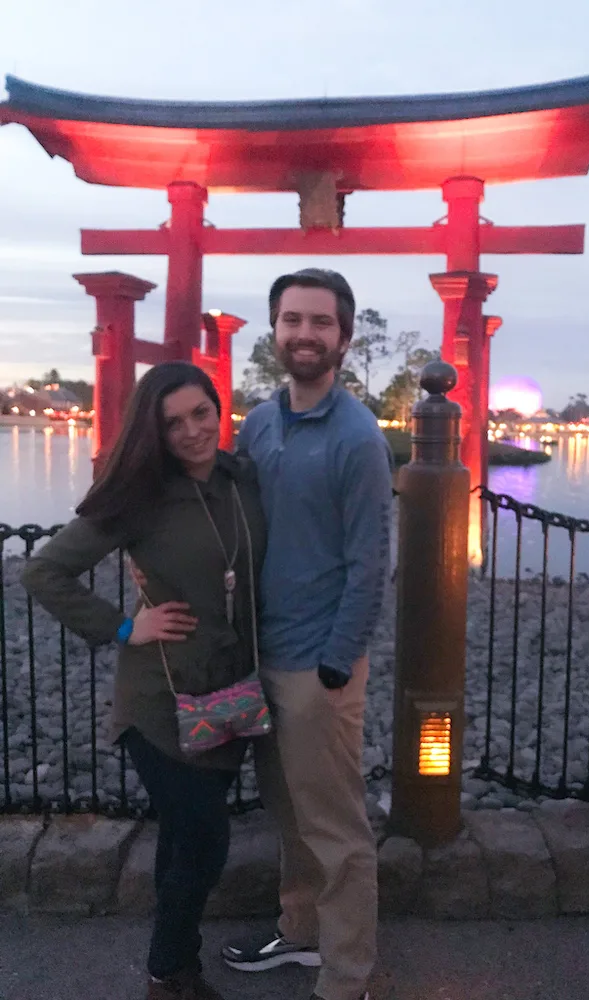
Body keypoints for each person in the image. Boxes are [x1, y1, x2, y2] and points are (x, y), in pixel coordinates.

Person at [21, 362, 266, 1000]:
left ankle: (177, 970)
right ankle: (168, 971)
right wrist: (124, 627)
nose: (190, 431)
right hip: (160, 703)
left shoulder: (244, 483)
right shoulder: (141, 498)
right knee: (207, 840)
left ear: (221, 409)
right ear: (152, 433)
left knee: (184, 840)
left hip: (228, 695)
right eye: (172, 422)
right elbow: (44, 573)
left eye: (200, 413)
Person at [222, 269, 393, 1000]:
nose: (304, 334)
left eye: (320, 323)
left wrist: (336, 662)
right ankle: (299, 932)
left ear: (344, 340)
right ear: (275, 331)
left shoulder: (357, 439)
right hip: (261, 650)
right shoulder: (260, 424)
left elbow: (369, 563)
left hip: (316, 664)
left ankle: (347, 975)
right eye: (292, 320)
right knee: (287, 808)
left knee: (334, 825)